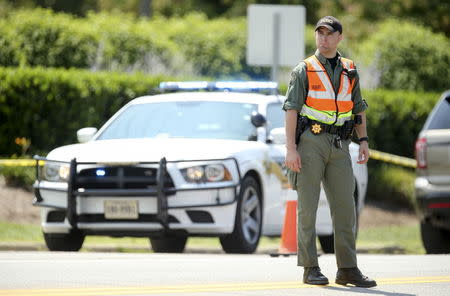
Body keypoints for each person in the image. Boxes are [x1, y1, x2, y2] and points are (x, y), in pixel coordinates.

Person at [283, 16, 376, 288]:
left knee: (346, 209)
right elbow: (291, 109)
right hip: (310, 143)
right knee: (308, 209)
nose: (323, 38)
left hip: (340, 145)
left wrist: (364, 141)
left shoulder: (349, 69)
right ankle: (310, 267)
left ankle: (347, 268)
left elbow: (358, 108)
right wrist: (291, 149)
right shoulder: (304, 69)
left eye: (328, 33)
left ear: (339, 37)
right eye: (319, 33)